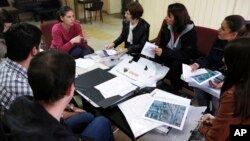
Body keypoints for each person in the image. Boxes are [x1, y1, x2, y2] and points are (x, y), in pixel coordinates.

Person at [2, 50, 114, 141]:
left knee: (87, 116)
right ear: (70, 89)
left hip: (42, 126)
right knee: (102, 121)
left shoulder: (21, 101)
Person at [190, 15, 250, 114]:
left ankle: (213, 115)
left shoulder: (243, 50)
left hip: (230, 82)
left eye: (222, 28)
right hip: (215, 73)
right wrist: (197, 64)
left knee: (217, 102)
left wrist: (224, 83)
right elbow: (210, 57)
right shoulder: (220, 39)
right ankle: (204, 111)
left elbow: (242, 77)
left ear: (233, 34)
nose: (218, 30)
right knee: (197, 85)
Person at [198, 37, 250, 141]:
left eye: (227, 57)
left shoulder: (233, 95)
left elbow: (216, 138)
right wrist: (218, 122)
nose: (222, 59)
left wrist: (202, 127)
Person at [153, 3, 197, 94]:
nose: (166, 18)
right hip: (170, 53)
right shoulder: (167, 25)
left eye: (169, 16)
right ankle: (155, 81)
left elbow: (185, 55)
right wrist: (157, 50)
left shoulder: (190, 31)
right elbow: (162, 44)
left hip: (183, 58)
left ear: (177, 19)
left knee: (176, 64)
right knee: (156, 55)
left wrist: (164, 52)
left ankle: (174, 89)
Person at [0, 23, 40, 117]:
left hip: (14, 123)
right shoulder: (26, 90)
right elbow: (49, 117)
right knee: (81, 116)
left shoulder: (3, 64)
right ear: (34, 50)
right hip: (34, 126)